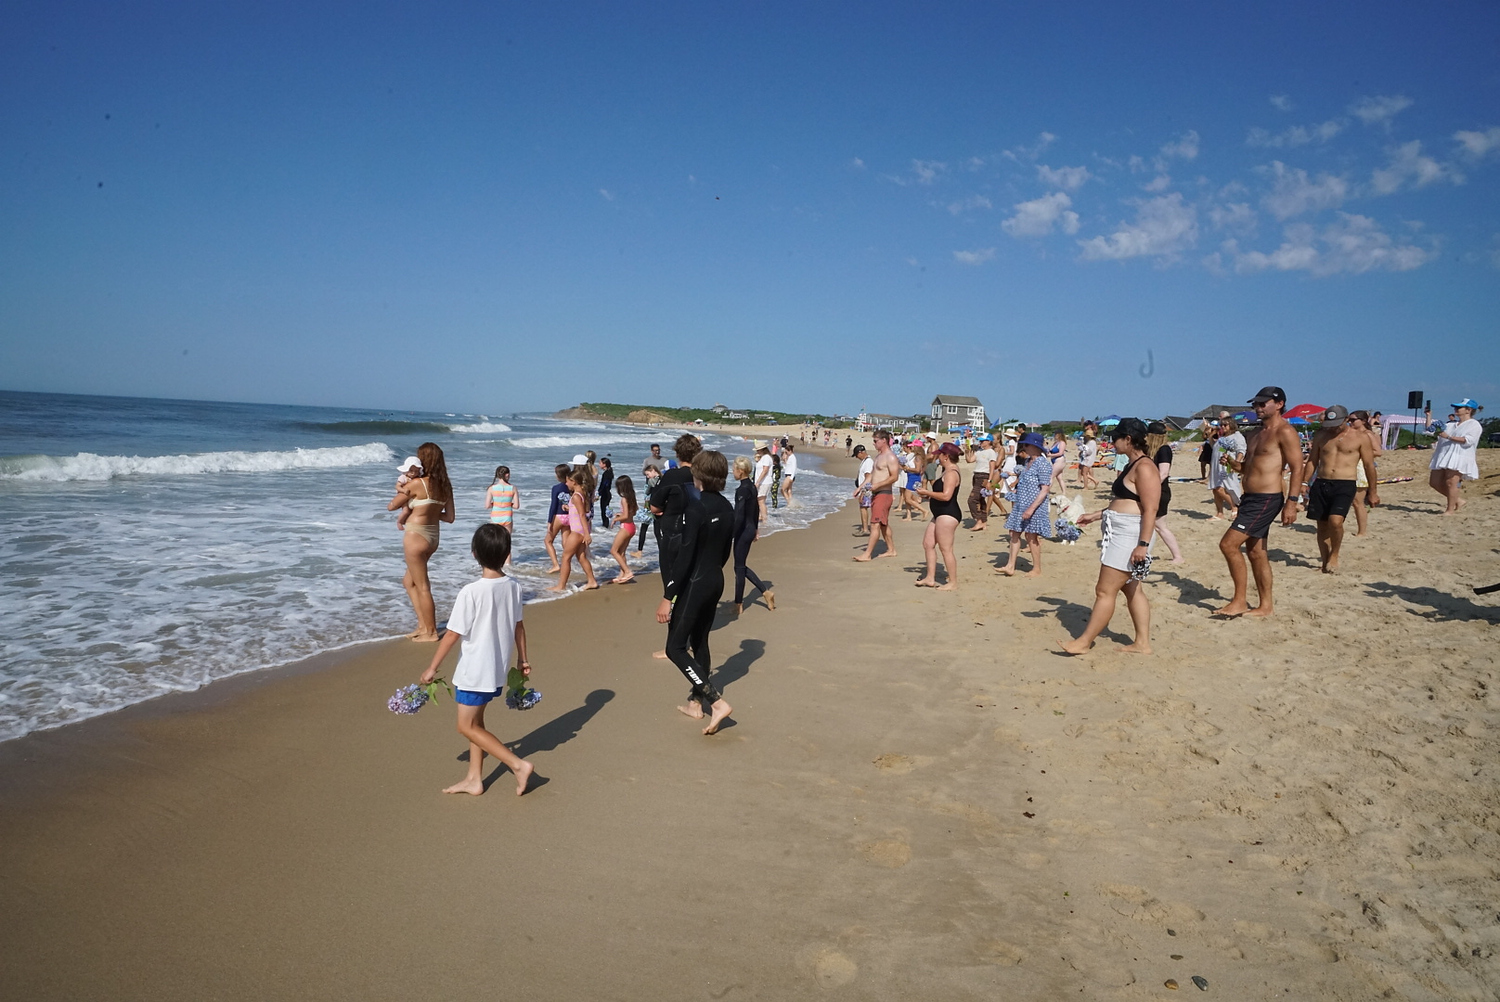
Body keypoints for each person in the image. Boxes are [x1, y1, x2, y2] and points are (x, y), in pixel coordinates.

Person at [418, 523, 534, 796]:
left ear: (474, 553)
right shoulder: (513, 586)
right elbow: (519, 626)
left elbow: (451, 635)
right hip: (497, 668)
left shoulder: (471, 592)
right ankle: (474, 778)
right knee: (477, 724)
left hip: (474, 671)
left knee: (465, 726)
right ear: (507, 554)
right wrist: (523, 660)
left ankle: (517, 765)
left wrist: (432, 668)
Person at [1060, 418, 1160, 655]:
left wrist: (1143, 545)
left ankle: (1084, 642)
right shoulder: (1132, 464)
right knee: (1131, 588)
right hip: (1122, 530)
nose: (1111, 442)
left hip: (1131, 534)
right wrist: (1095, 515)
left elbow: (1151, 509)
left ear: (1128, 439)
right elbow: (1125, 502)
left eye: (1116, 438)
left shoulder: (1145, 467)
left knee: (1104, 591)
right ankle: (1142, 643)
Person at [655, 450, 735, 735]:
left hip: (696, 582)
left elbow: (685, 557)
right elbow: (725, 551)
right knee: (700, 642)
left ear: (697, 474)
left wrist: (669, 596)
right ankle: (695, 702)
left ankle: (716, 702)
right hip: (715, 579)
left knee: (674, 648)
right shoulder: (728, 507)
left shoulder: (697, 508)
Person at [1214, 387, 1305, 617]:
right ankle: (1266, 606)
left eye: (1263, 404)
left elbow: (1297, 468)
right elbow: (1249, 468)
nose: (1258, 408)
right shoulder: (1255, 434)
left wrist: (1292, 502)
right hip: (1250, 497)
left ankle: (1239, 601)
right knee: (1256, 552)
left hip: (1267, 498)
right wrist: (1235, 465)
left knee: (1228, 544)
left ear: (1280, 404)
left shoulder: (1285, 431)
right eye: (1256, 404)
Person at [386, 442, 454, 642]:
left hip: (415, 536)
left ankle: (431, 632)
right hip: (433, 538)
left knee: (422, 586)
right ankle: (423, 625)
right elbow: (449, 517)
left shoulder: (417, 484)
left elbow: (392, 506)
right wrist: (430, 513)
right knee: (408, 582)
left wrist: (415, 509)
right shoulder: (445, 486)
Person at [1300, 405, 1378, 574]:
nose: (1333, 427)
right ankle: (1325, 561)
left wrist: (1373, 491)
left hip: (1345, 483)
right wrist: (1304, 482)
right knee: (1321, 525)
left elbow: (1369, 465)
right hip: (1321, 482)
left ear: (1346, 420)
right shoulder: (1321, 435)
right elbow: (1313, 460)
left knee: (1336, 521)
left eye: (1337, 423)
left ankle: (1335, 554)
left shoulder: (1360, 437)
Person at [998, 433, 1053, 577]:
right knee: (1014, 534)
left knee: (1031, 537)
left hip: (1034, 506)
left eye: (1026, 445)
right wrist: (1016, 490)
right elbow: (1024, 481)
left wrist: (1031, 508)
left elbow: (1045, 489)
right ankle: (1010, 566)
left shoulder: (1043, 464)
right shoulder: (1028, 461)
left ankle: (1036, 568)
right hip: (1021, 503)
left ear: (1035, 446)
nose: (1024, 447)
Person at [915, 442, 963, 590]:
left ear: (946, 456)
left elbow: (947, 496)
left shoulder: (951, 473)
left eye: (940, 455)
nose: (938, 458)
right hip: (940, 513)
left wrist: (926, 492)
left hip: (948, 514)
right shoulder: (946, 470)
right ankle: (930, 577)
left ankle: (953, 582)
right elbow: (941, 494)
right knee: (928, 544)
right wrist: (930, 497)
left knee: (946, 549)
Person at [730, 455, 774, 613]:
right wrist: (755, 529)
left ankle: (739, 605)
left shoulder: (742, 490)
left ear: (741, 471)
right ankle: (764, 592)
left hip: (743, 531)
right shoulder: (751, 487)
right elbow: (755, 511)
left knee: (739, 567)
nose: (732, 472)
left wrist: (731, 535)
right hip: (749, 529)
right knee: (740, 567)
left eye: (734, 469)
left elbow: (739, 515)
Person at [1427, 399, 1483, 514]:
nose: (1456, 409)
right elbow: (1430, 430)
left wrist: (1448, 437)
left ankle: (1450, 509)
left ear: (1468, 410)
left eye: (1459, 408)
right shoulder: (1450, 424)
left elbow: (1468, 440)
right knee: (1434, 482)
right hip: (1443, 454)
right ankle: (1458, 500)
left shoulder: (1474, 425)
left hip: (1459, 456)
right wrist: (1428, 416)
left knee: (1451, 482)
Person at [854, 430, 901, 561]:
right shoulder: (879, 456)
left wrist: (877, 485)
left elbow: (894, 477)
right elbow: (872, 476)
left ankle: (867, 554)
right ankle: (891, 550)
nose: (873, 443)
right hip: (876, 492)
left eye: (875, 441)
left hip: (884, 494)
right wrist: (861, 488)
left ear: (884, 440)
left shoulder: (890, 457)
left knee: (875, 524)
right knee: (883, 524)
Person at [548, 470, 598, 591]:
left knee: (565, 557)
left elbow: (581, 515)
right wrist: (568, 507)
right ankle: (592, 581)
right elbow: (579, 511)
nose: (566, 483)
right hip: (581, 530)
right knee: (581, 557)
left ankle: (561, 586)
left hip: (577, 531)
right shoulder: (581, 493)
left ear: (574, 482)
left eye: (568, 481)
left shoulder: (576, 496)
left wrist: (586, 534)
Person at [1144, 422, 1184, 563]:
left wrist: (1149, 487)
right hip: (1152, 491)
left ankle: (1178, 556)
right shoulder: (1150, 450)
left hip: (1159, 492)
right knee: (1150, 524)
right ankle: (1145, 552)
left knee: (1160, 526)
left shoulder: (1164, 450)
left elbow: (1164, 473)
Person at [1349, 410, 1382, 536]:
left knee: (1358, 502)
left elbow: (1378, 451)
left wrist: (1360, 451)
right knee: (1352, 502)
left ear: (1362, 421)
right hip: (1351, 467)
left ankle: (1362, 531)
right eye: (1349, 420)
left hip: (1362, 468)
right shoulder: (1352, 433)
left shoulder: (1367, 434)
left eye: (1353, 420)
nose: (1350, 423)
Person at [1209, 416, 1245, 520]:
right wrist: (1211, 435)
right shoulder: (1223, 438)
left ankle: (1234, 508)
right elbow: (1217, 449)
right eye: (1221, 425)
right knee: (1215, 489)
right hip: (1217, 466)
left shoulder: (1237, 436)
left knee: (1221, 488)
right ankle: (1220, 513)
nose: (1223, 427)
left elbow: (1241, 451)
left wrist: (1236, 463)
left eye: (1225, 425)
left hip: (1227, 466)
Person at [605, 475, 639, 583]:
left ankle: (627, 571)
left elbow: (625, 516)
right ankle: (622, 574)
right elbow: (633, 512)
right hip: (632, 527)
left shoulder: (624, 499)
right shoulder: (631, 497)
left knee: (614, 551)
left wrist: (616, 519)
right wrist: (621, 514)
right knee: (621, 552)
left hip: (625, 527)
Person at [543, 463, 571, 572]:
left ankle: (556, 565)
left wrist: (550, 521)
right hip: (569, 517)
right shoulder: (572, 487)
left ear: (558, 475)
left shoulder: (556, 488)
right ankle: (566, 563)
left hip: (559, 517)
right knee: (565, 542)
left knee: (548, 541)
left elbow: (553, 505)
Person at [967, 435, 998, 531]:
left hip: (984, 476)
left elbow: (992, 468)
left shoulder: (991, 452)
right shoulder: (979, 451)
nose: (981, 443)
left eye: (983, 441)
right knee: (980, 499)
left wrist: (990, 481)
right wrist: (968, 450)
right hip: (976, 475)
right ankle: (983, 520)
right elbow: (970, 460)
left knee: (972, 499)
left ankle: (979, 520)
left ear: (988, 441)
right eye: (981, 441)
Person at [851, 444, 873, 536]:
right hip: (865, 488)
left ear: (861, 453)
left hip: (867, 489)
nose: (856, 457)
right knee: (863, 507)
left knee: (863, 508)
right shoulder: (865, 461)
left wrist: (862, 491)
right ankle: (865, 528)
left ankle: (865, 529)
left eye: (856, 455)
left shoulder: (868, 462)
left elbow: (868, 477)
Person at [752, 440, 774, 523]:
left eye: (758, 450)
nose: (757, 451)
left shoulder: (766, 457)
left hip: (764, 482)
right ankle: (761, 516)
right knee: (760, 501)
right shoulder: (763, 457)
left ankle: (765, 519)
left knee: (760, 501)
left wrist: (757, 482)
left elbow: (765, 470)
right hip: (763, 482)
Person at [597, 457, 614, 530]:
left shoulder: (606, 473)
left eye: (600, 463)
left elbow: (604, 484)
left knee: (604, 511)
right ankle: (605, 525)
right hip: (607, 493)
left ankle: (605, 526)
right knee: (604, 510)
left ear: (604, 464)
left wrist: (599, 493)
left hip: (605, 494)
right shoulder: (609, 471)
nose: (599, 464)